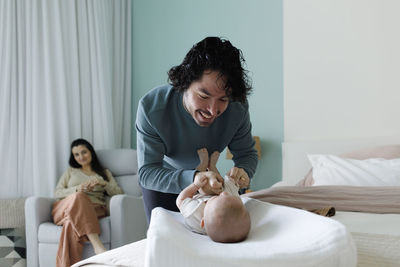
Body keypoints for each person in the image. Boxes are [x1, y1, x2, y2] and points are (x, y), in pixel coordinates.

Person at [136, 36, 258, 222]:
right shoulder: (152, 108)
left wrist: (244, 171)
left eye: (223, 100)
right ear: (184, 83)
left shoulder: (237, 108)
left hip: (209, 186)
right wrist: (194, 178)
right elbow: (147, 173)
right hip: (163, 181)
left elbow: (247, 154)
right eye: (203, 96)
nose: (212, 110)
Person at [52, 138, 123, 267]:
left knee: (70, 223)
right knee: (78, 196)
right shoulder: (71, 171)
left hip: (93, 210)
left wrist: (104, 183)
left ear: (91, 152)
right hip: (64, 208)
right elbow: (57, 192)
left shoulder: (104, 173)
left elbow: (118, 193)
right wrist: (78, 188)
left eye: (84, 152)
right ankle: (98, 248)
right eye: (76, 154)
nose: (81, 157)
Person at [176, 149, 251, 243]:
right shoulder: (220, 214)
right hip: (222, 199)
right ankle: (212, 167)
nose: (224, 194)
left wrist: (195, 185)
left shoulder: (194, 214)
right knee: (226, 187)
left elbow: (181, 199)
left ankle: (202, 165)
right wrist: (235, 181)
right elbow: (226, 196)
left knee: (204, 182)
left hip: (198, 195)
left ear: (203, 221)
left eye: (218, 198)